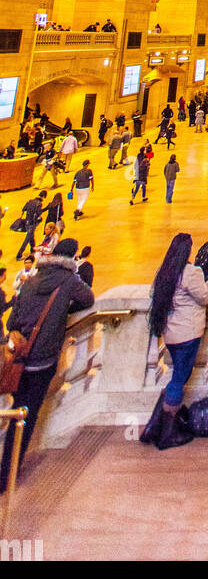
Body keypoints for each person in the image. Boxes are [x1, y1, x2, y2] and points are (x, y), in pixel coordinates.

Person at [0, 237, 95, 492]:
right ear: (72, 257)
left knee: (14, 410)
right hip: (43, 362)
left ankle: (5, 467)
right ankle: (8, 473)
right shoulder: (68, 281)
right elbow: (88, 299)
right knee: (26, 416)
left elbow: (12, 323)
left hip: (19, 359)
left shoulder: (30, 282)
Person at [145, 233, 208, 446]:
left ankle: (153, 426)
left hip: (170, 334)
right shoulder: (191, 273)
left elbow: (152, 293)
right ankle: (167, 433)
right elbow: (206, 297)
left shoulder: (164, 272)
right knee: (178, 380)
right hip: (187, 334)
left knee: (177, 376)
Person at [16, 190, 47, 260]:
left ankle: (32, 249)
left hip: (26, 222)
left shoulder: (30, 201)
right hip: (32, 223)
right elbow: (39, 213)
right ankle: (19, 255)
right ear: (44, 197)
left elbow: (23, 209)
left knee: (31, 236)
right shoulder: (39, 204)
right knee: (27, 239)